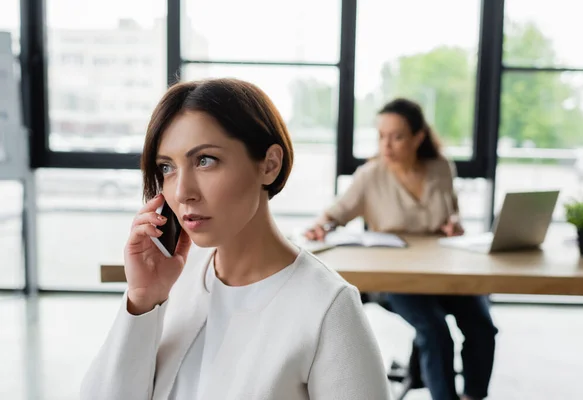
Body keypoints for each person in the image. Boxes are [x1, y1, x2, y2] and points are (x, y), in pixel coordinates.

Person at [80, 78, 391, 400]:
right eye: (167, 167)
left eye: (205, 160)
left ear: (270, 165)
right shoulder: (171, 280)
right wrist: (142, 300)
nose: (183, 192)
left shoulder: (328, 308)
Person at [305, 98, 498, 400]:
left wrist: (453, 223)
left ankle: (473, 395)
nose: (387, 145)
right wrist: (322, 226)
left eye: (397, 136)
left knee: (482, 327)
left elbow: (452, 213)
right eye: (381, 136)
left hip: (443, 272)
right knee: (435, 332)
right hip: (398, 279)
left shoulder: (441, 168)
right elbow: (335, 214)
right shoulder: (371, 175)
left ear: (418, 137)